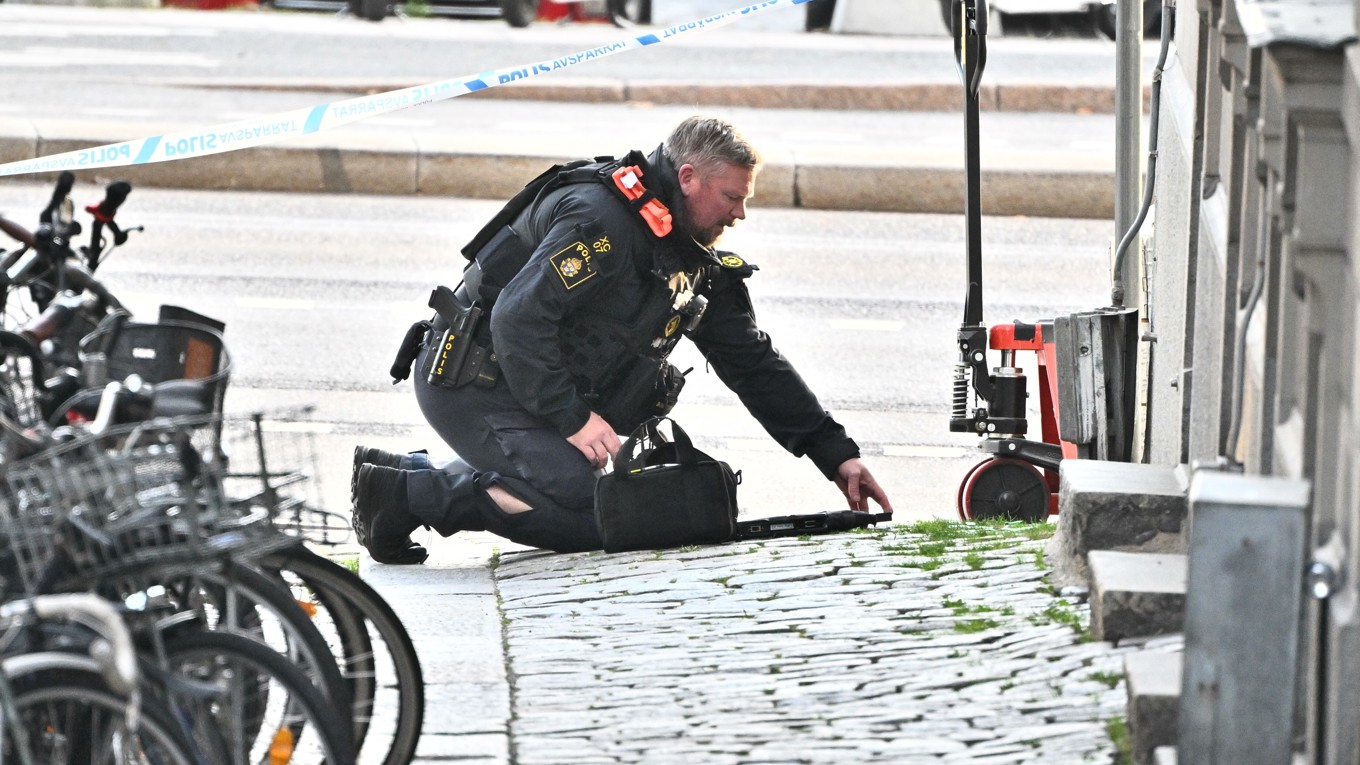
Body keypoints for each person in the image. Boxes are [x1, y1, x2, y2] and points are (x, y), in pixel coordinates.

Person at [351, 115, 893, 565]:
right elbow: (516, 320)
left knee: (603, 496)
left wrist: (835, 455)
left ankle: (399, 477)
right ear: (687, 178)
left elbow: (751, 361)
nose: (740, 213)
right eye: (731, 196)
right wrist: (573, 420)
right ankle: (407, 496)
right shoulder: (602, 221)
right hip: (473, 380)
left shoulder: (688, 251)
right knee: (599, 514)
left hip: (528, 391)